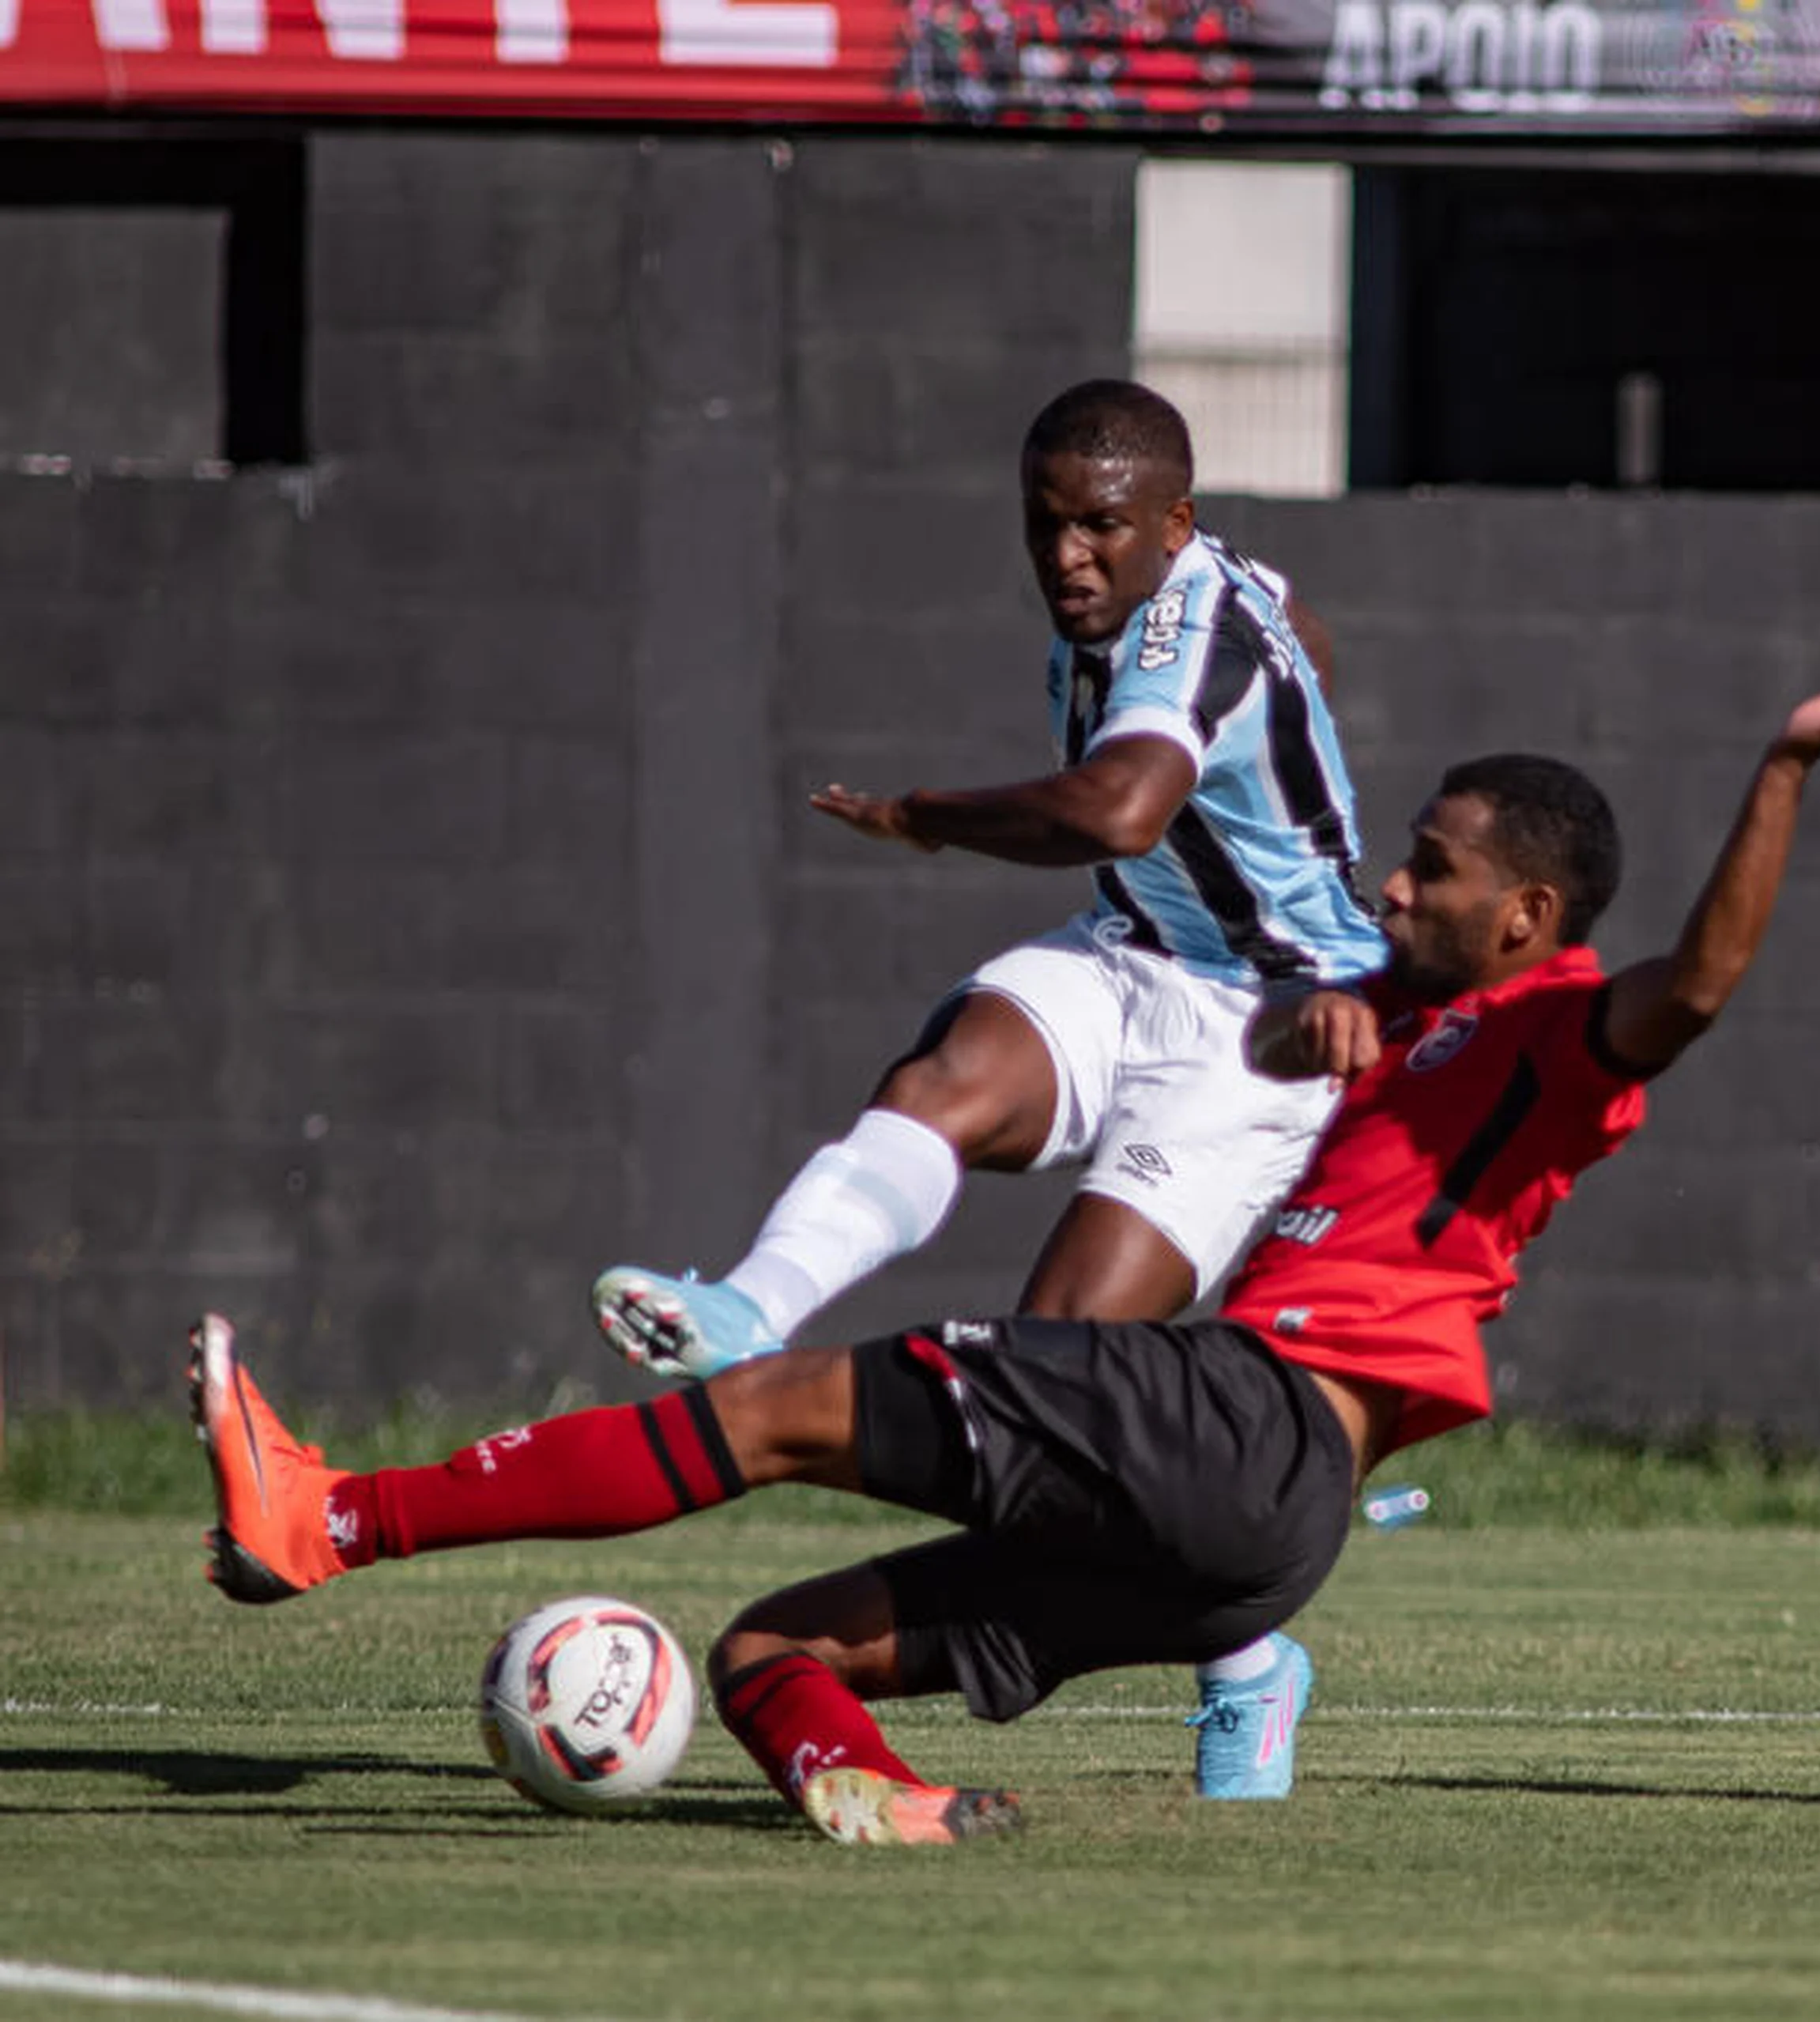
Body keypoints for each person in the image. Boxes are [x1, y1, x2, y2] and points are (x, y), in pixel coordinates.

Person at [184, 673, 1820, 1846]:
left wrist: (1784, 768)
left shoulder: (1563, 1026)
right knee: (767, 1654)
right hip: (1262, 1549)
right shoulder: (1418, 1026)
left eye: (1428, 872)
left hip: (1241, 1427)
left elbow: (1705, 984)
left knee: (787, 1404)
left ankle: (335, 1520)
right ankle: (891, 1798)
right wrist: (1307, 1037)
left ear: (1525, 916)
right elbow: (1309, 1064)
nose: (1393, 884)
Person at [588, 379, 1382, 1796]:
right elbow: (1295, 634)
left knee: (1059, 1367)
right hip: (1134, 951)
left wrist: (923, 819)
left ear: (1174, 526)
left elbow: (1121, 808)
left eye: (1104, 527)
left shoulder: (1188, 629)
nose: (1069, 554)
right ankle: (747, 1310)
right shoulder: (1197, 589)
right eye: (1047, 523)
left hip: (1261, 1027)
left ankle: (1250, 1656)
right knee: (949, 1073)